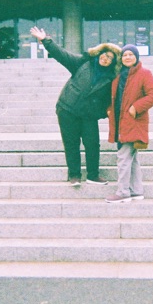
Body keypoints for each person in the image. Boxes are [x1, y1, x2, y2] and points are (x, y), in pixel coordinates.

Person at [30, 26, 122, 187]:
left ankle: (93, 175)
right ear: (99, 53)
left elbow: (110, 101)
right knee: (71, 143)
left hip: (88, 115)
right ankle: (74, 175)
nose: (106, 58)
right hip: (68, 109)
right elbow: (62, 55)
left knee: (92, 144)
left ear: (113, 62)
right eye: (104, 54)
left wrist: (100, 113)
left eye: (110, 58)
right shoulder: (83, 63)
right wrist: (45, 40)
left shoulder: (112, 78)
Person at [105, 44, 153, 203]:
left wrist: (136, 107)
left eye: (131, 54)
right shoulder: (118, 75)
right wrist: (109, 110)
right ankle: (136, 191)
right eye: (124, 55)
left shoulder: (144, 73)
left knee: (123, 158)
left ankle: (123, 192)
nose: (127, 57)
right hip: (119, 123)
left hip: (133, 122)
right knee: (132, 159)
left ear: (136, 57)